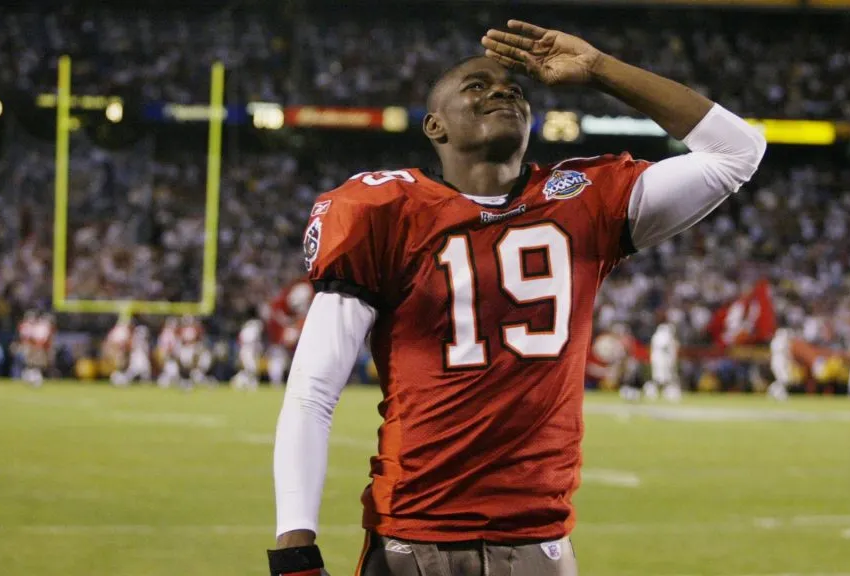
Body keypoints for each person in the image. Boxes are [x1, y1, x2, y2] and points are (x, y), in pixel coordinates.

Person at [270, 20, 765, 576]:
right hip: (416, 534)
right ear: (435, 125)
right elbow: (313, 389)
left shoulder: (582, 200)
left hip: (540, 540)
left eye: (513, 88)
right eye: (476, 87)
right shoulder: (384, 211)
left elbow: (738, 151)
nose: (502, 91)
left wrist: (601, 69)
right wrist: (295, 546)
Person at [644, 322, 681, 402]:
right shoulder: (661, 336)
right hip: (662, 361)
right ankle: (651, 391)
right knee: (660, 378)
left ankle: (664, 392)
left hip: (663, 361)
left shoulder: (659, 336)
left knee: (665, 378)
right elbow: (664, 347)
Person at [768, 328, 793, 401]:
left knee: (785, 379)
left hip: (782, 363)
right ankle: (777, 392)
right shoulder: (777, 342)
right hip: (778, 363)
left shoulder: (782, 342)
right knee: (784, 379)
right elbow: (783, 352)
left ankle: (774, 391)